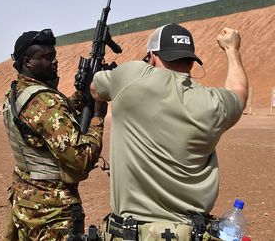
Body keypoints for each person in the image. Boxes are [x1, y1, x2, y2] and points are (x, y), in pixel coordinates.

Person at [91, 24, 248, 240]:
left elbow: (95, 88)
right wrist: (232, 50)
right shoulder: (214, 103)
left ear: (153, 56)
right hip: (192, 232)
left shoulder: (131, 77)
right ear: (192, 61)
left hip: (132, 233)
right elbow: (239, 93)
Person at [3, 29, 107, 240]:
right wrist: (97, 118)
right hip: (52, 213)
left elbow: (49, 117)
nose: (54, 62)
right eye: (47, 57)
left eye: (54, 56)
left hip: (25, 200)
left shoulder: (18, 91)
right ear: (28, 62)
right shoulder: (48, 103)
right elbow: (81, 159)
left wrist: (81, 95)